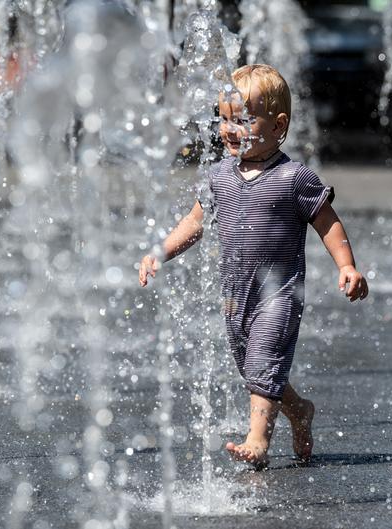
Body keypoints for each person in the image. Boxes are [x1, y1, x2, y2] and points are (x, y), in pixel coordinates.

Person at [138, 64, 368, 469]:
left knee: (264, 360)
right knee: (257, 369)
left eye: (242, 120)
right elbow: (195, 222)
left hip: (279, 295)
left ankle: (258, 440)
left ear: (278, 124)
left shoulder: (294, 178)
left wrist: (346, 265)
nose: (229, 129)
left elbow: (327, 221)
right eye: (224, 118)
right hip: (234, 297)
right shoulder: (218, 177)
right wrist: (160, 251)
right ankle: (299, 411)